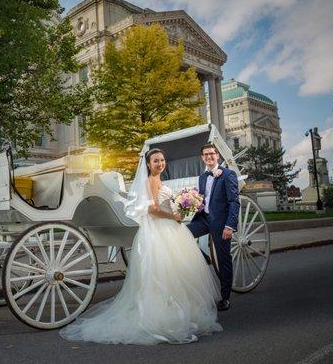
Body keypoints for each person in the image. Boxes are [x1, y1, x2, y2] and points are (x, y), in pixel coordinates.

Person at [59, 148, 222, 345]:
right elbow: (152, 210)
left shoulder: (157, 179)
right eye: (156, 161)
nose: (160, 163)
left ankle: (176, 306)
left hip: (167, 227)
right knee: (164, 271)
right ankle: (164, 313)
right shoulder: (150, 181)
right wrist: (174, 216)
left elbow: (162, 204)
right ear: (148, 164)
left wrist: (179, 207)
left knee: (173, 270)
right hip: (159, 229)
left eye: (162, 160)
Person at [187, 143, 239, 311]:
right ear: (202, 157)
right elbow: (203, 200)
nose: (209, 157)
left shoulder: (227, 174)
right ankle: (204, 256)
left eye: (212, 154)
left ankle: (225, 298)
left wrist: (230, 226)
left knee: (223, 259)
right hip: (204, 219)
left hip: (221, 223)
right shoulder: (202, 177)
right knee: (182, 234)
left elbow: (234, 202)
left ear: (218, 156)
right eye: (205, 155)